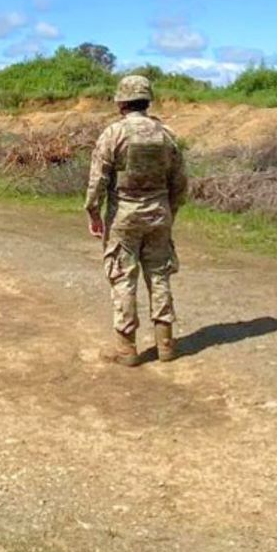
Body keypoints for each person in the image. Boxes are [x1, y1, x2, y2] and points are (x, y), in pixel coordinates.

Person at [85, 74, 189, 366]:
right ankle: (166, 345)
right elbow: (179, 182)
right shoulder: (166, 134)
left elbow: (98, 181)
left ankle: (126, 349)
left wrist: (94, 213)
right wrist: (169, 212)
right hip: (159, 213)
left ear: (121, 103)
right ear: (147, 100)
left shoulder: (113, 134)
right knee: (159, 275)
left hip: (124, 217)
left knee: (122, 278)